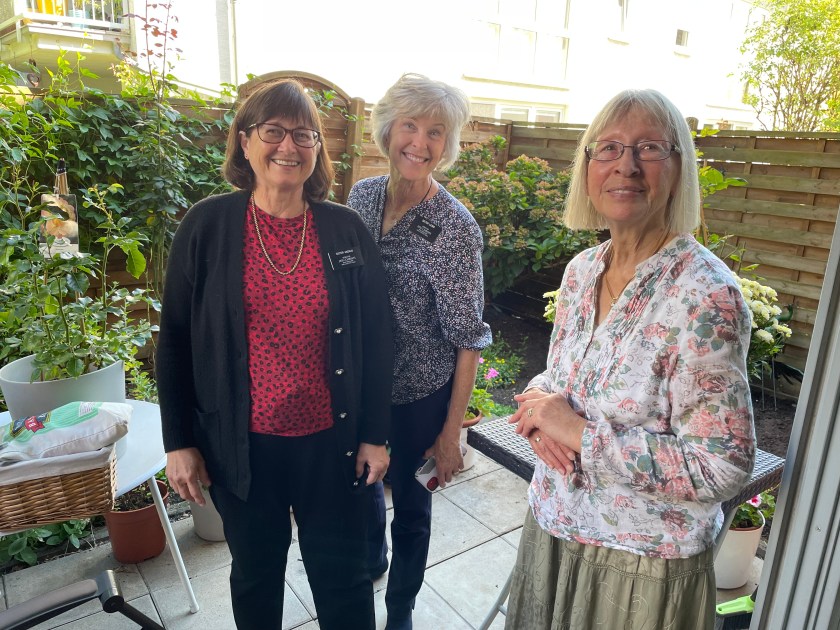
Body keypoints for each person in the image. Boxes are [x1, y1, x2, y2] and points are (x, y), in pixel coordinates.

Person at [505, 88, 756, 629]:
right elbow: (566, 377)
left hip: (639, 566)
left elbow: (722, 466)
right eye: (610, 148)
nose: (627, 165)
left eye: (649, 148)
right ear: (588, 167)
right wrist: (537, 407)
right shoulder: (581, 271)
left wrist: (578, 434)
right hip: (552, 529)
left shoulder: (706, 295)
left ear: (678, 168)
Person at [156, 79, 393, 630]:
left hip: (331, 444)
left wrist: (374, 435)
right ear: (245, 142)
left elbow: (378, 338)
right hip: (243, 447)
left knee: (344, 578)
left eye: (304, 135)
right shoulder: (206, 226)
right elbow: (174, 340)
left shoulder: (344, 229)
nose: (289, 146)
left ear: (317, 149)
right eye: (273, 132)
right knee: (256, 575)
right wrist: (179, 442)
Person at [346, 73, 492, 630]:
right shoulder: (361, 197)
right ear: (388, 129)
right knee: (362, 486)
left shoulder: (455, 227)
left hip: (419, 394)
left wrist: (450, 433)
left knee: (411, 507)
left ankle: (400, 610)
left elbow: (467, 338)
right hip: (363, 388)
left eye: (436, 131)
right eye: (410, 125)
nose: (420, 142)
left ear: (447, 144)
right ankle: (372, 560)